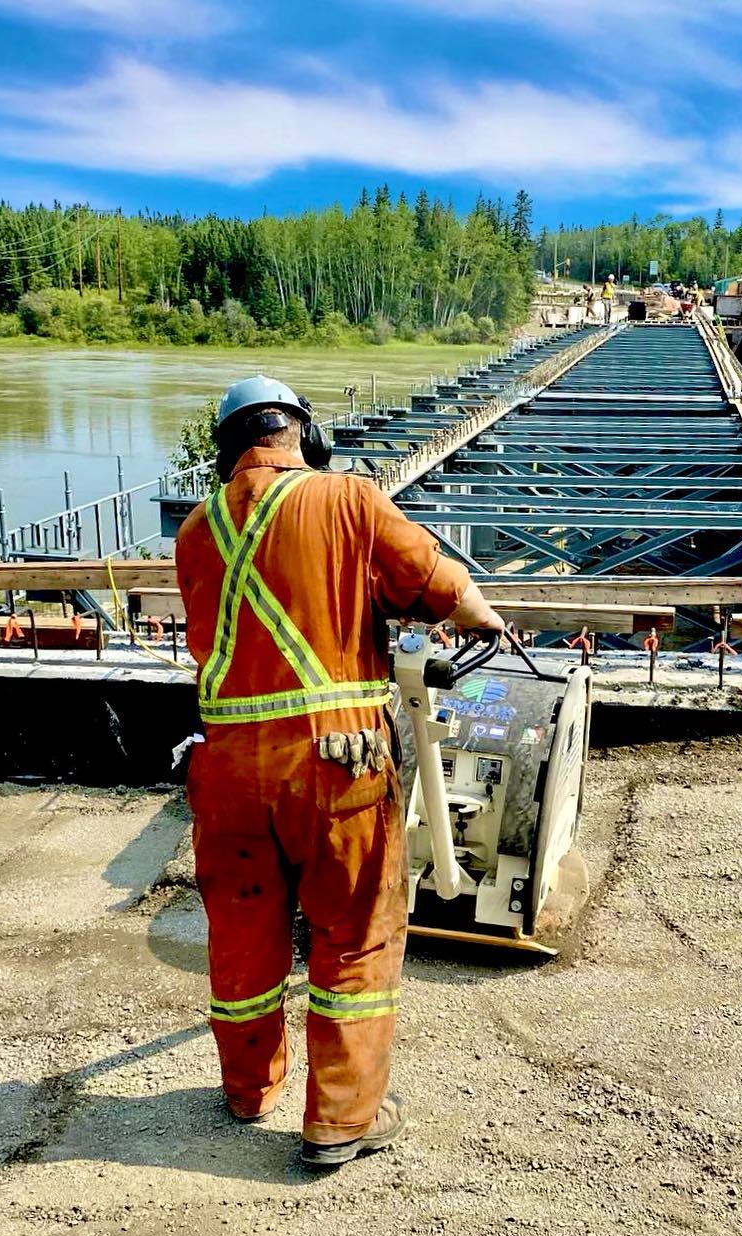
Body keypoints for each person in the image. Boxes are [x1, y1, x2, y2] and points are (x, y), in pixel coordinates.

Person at [175, 375, 504, 1168]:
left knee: (245, 936)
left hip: (225, 769)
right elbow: (433, 582)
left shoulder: (194, 527)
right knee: (354, 935)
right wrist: (483, 615)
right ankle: (340, 1122)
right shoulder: (348, 501)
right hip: (335, 761)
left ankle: (249, 1089)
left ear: (226, 448)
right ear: (303, 436)